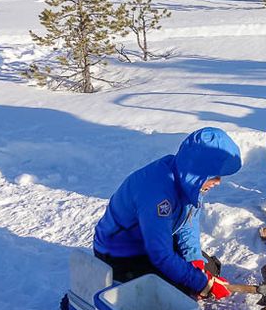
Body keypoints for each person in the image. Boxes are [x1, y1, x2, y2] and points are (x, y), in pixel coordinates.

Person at [93, 128, 242, 300]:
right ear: (198, 171)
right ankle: (108, 286)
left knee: (209, 269)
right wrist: (202, 283)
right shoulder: (157, 194)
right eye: (214, 176)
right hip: (120, 254)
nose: (218, 182)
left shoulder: (188, 179)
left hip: (150, 241)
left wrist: (195, 261)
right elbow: (160, 254)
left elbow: (188, 221)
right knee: (178, 292)